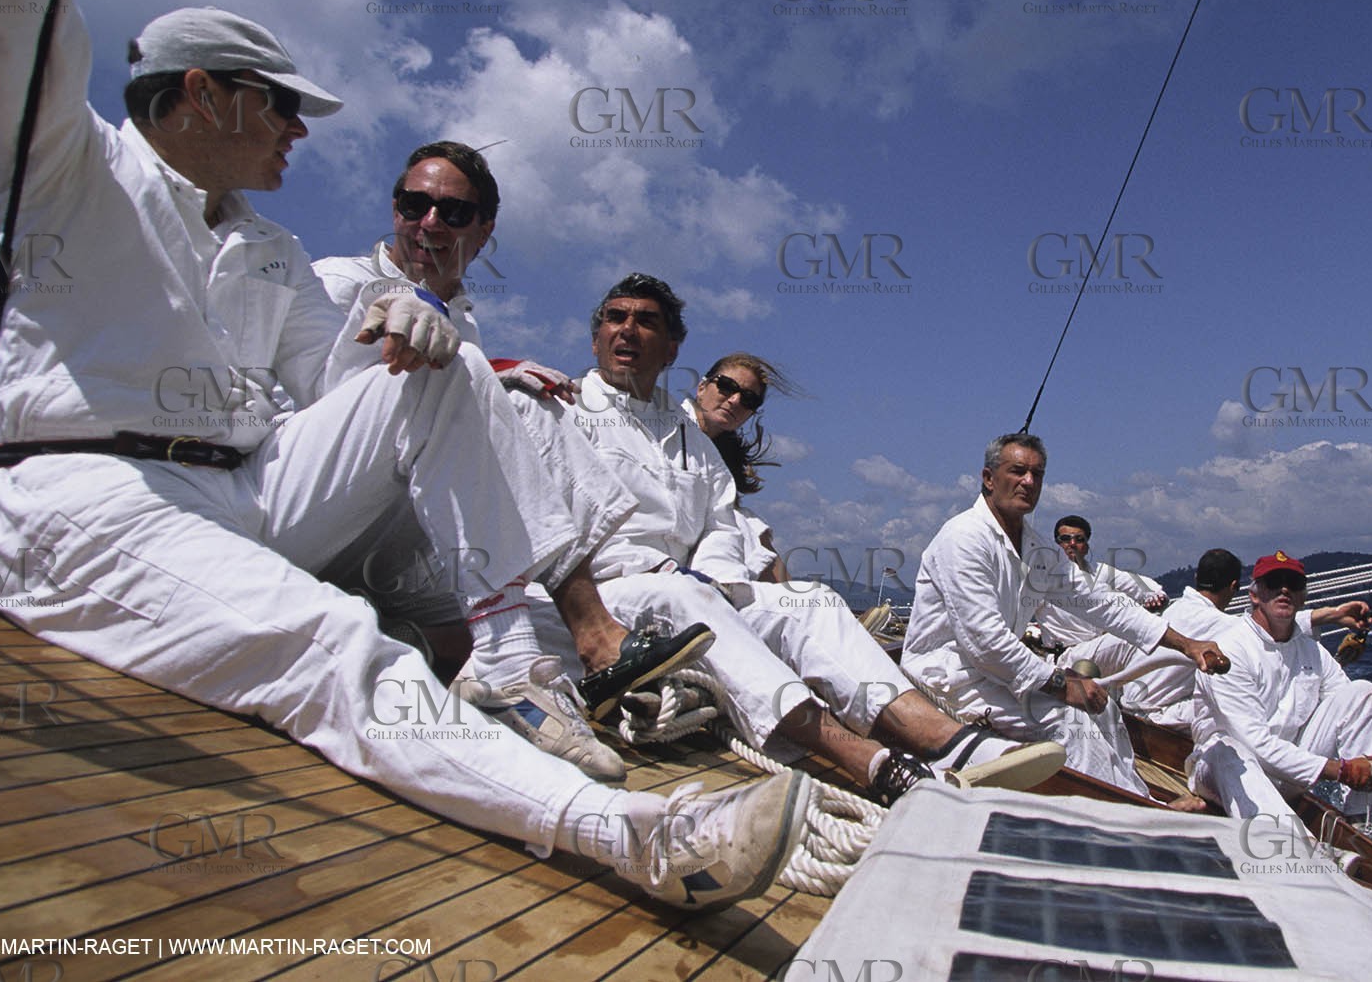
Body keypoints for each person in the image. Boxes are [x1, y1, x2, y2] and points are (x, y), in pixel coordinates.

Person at [0, 0, 805, 910]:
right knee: (328, 639)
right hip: (84, 498)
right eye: (279, 106)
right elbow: (9, 3)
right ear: (202, 94)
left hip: (242, 487)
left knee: (450, 371)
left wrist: (418, 324)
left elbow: (338, 383)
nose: (299, 131)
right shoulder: (63, 163)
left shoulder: (269, 249)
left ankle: (508, 659)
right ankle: (630, 835)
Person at [530, 277, 1066, 805]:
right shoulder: (558, 409)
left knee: (810, 599)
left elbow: (720, 525)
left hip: (693, 592)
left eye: (646, 321)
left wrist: (718, 581)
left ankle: (942, 739)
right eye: (615, 318)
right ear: (595, 337)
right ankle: (868, 760)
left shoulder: (693, 440)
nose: (627, 330)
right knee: (686, 596)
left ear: (671, 349)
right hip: (602, 597)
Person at [313, 141, 713, 782]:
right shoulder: (340, 284)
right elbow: (317, 421)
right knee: (510, 394)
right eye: (415, 205)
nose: (430, 224)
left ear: (484, 229)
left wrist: (498, 375)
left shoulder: (464, 324)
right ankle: (590, 639)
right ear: (394, 210)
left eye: (454, 212)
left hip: (398, 531)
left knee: (529, 396)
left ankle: (518, 661)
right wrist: (469, 369)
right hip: (326, 506)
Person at [902, 433, 1230, 795]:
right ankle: (1119, 814)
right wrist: (1060, 684)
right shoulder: (963, 539)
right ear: (988, 478)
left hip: (995, 672)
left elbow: (1100, 601)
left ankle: (1137, 795)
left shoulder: (1037, 548)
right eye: (1018, 471)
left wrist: (1186, 645)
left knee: (1104, 709)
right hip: (948, 674)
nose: (1029, 482)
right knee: (1071, 724)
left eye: (1037, 474)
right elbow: (987, 644)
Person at [1186, 553, 1372, 821]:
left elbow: (1371, 716)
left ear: (1303, 595)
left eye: (1293, 584)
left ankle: (1361, 821)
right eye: (1274, 583)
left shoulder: (1314, 652)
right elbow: (1254, 743)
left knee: (1364, 694)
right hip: (1226, 773)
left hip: (1287, 771)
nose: (1284, 590)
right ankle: (1289, 843)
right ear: (1254, 594)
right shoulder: (1229, 648)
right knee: (1230, 749)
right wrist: (1339, 770)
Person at [1082, 548, 1372, 731]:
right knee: (1259, 704)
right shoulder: (1222, 624)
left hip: (1131, 710)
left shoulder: (1173, 611)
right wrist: (1331, 615)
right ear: (1235, 587)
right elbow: (1262, 629)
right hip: (1159, 718)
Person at [686, 352, 798, 583]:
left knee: (751, 525)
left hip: (704, 530)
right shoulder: (667, 429)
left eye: (748, 399)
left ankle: (800, 607)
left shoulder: (719, 457)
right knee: (744, 524)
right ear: (702, 388)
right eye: (726, 387)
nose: (735, 401)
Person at [1036, 514, 1167, 652]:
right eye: (1065, 539)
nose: (1072, 544)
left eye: (1079, 539)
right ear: (1056, 545)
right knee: (1144, 635)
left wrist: (1155, 596)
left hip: (1100, 650)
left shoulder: (1100, 572)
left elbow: (1140, 585)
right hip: (1067, 653)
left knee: (1151, 630)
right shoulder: (1043, 578)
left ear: (1086, 547)